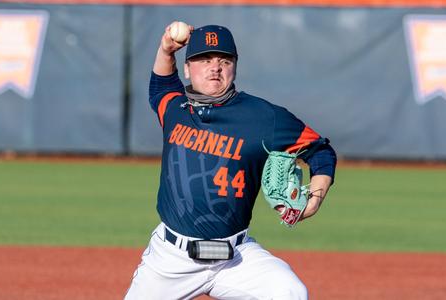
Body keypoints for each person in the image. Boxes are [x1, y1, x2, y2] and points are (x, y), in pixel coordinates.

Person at [125, 22, 337, 300]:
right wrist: (166, 49)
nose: (215, 67)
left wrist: (316, 196)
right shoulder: (174, 107)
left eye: (224, 60)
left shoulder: (264, 117)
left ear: (234, 66)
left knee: (290, 292)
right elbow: (160, 83)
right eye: (204, 59)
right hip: (170, 260)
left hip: (236, 257)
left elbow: (320, 151)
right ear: (187, 68)